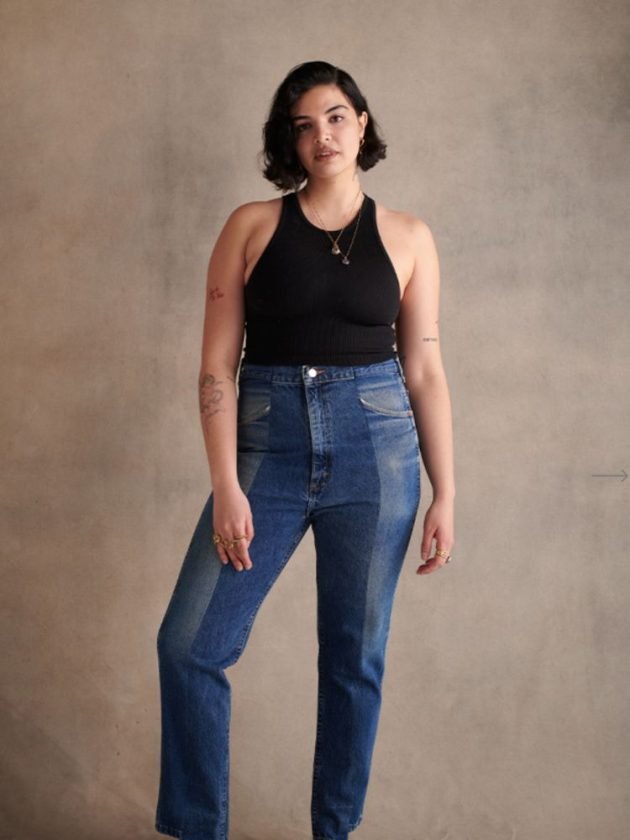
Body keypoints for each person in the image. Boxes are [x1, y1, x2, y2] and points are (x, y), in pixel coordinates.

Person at [155, 60, 455, 840]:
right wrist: (227, 483)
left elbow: (424, 370)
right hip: (268, 448)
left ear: (362, 123)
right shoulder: (251, 226)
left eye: (335, 117)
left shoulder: (409, 236)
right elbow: (216, 368)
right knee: (189, 646)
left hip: (377, 452)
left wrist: (446, 492)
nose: (322, 135)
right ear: (289, 142)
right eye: (303, 125)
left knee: (355, 659)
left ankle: (334, 831)